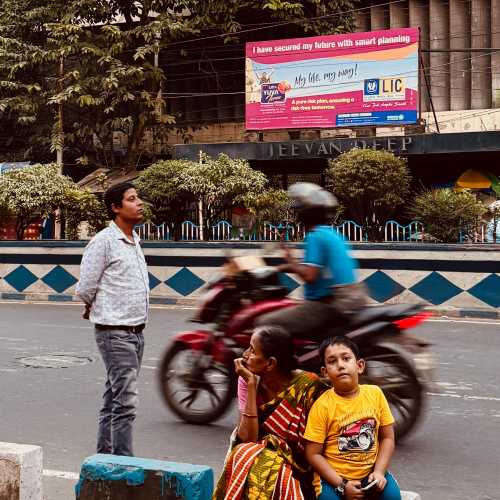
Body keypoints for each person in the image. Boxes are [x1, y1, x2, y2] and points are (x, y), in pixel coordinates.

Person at [76, 182, 149, 456]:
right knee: (126, 402)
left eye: (138, 197)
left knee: (114, 397)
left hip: (136, 332)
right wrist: (93, 306)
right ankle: (123, 463)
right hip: (114, 331)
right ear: (115, 208)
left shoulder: (134, 241)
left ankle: (104, 458)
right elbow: (86, 286)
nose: (139, 202)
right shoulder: (104, 242)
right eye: (132, 199)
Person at [213, 326, 327, 500]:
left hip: (301, 468)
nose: (244, 355)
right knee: (245, 454)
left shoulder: (309, 386)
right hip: (262, 458)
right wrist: (251, 385)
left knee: (266, 466)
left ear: (270, 363)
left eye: (252, 350)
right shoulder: (247, 380)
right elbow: (247, 438)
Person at [256, 182, 366, 340]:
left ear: (306, 214)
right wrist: (285, 263)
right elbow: (311, 268)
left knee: (265, 323)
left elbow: (309, 276)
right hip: (349, 298)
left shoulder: (315, 236)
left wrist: (285, 265)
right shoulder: (332, 234)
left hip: (327, 304)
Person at [304, 337, 400, 500]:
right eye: (332, 361)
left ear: (360, 365)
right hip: (333, 480)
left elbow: (388, 438)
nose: (340, 365)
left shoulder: (375, 394)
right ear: (325, 372)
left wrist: (378, 472)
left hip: (370, 474)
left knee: (393, 497)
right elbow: (313, 454)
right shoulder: (322, 405)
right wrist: (341, 485)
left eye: (346, 358)